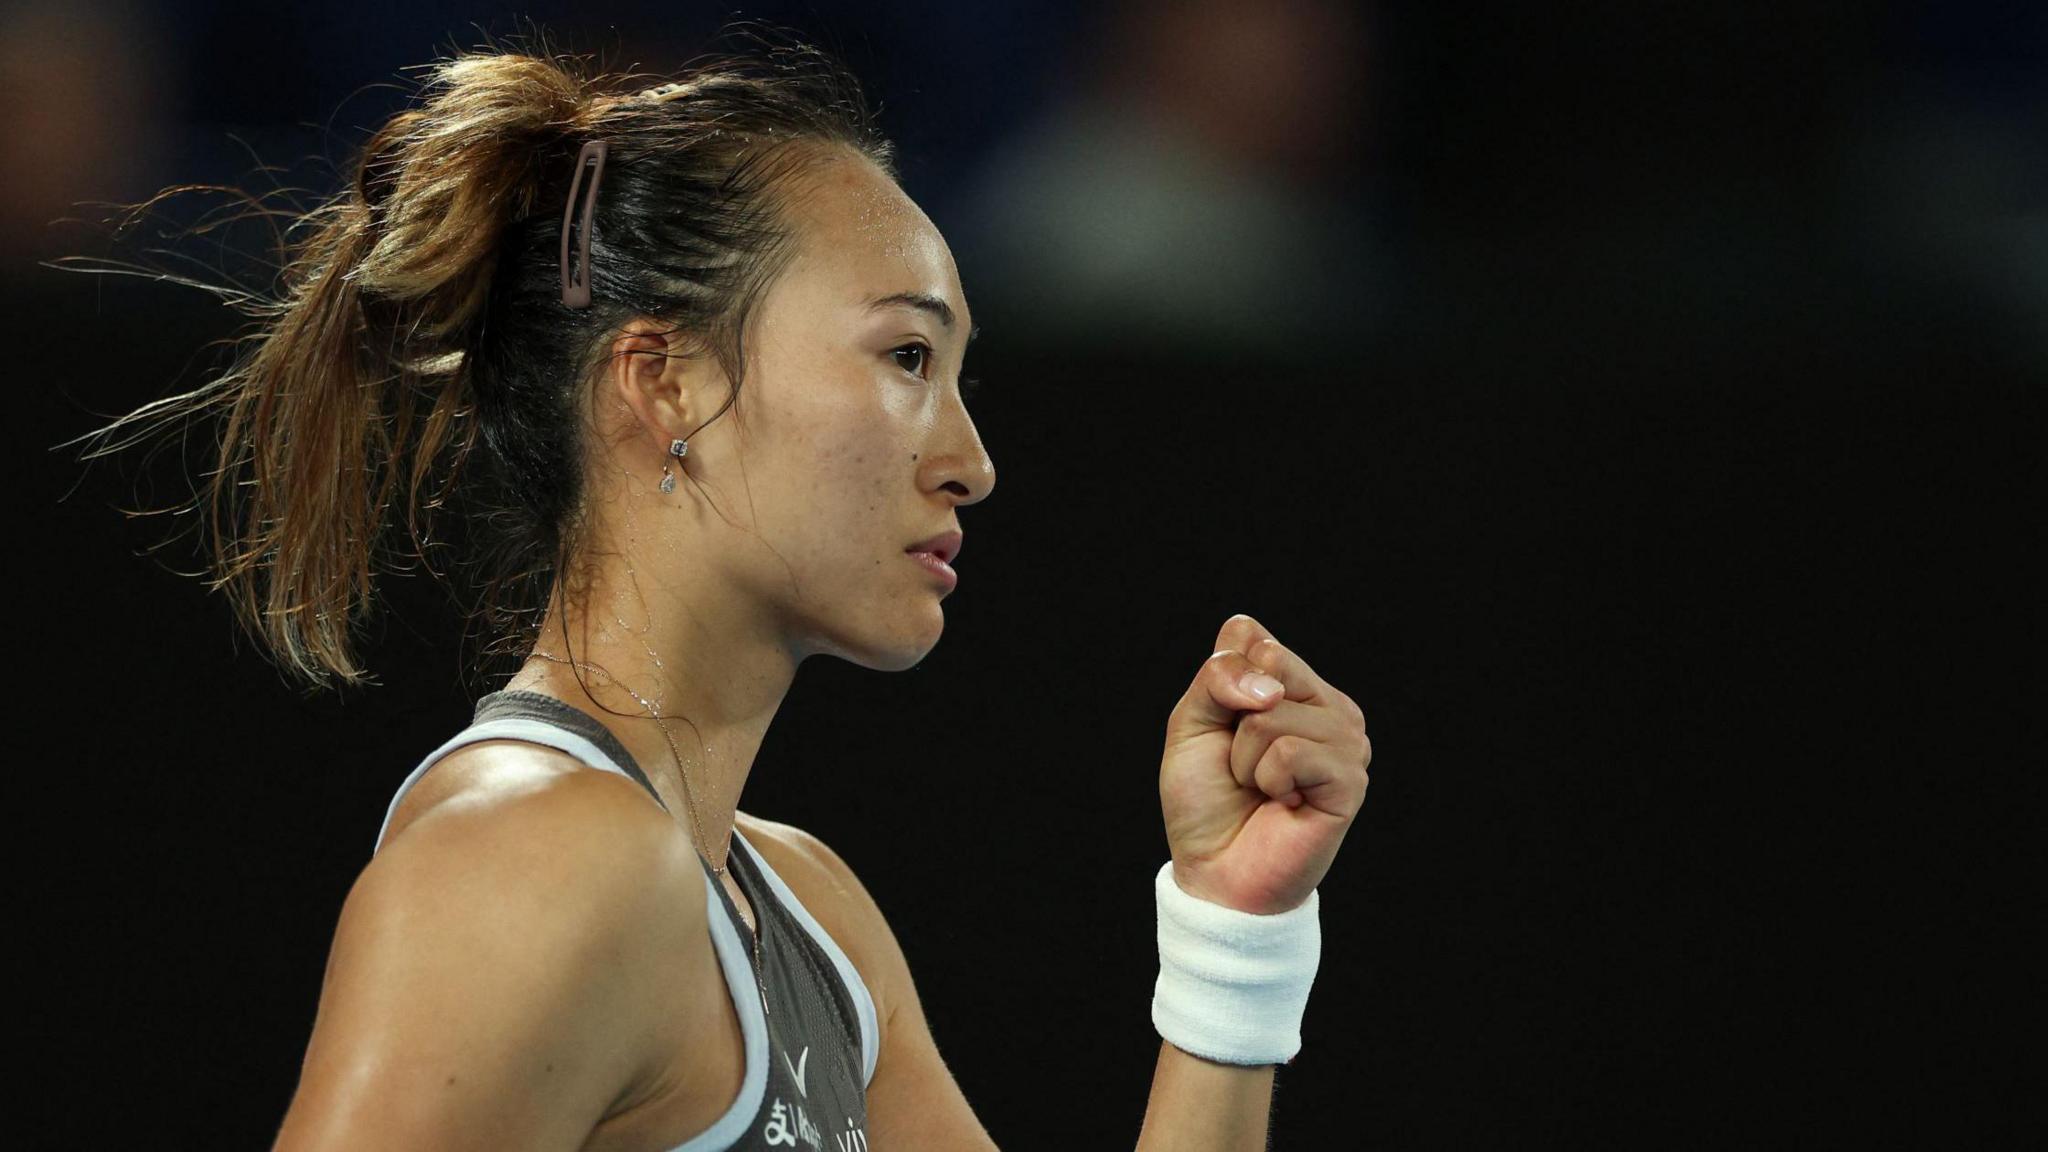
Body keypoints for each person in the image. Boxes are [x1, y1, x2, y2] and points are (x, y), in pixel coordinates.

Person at [68, 32, 1371, 1151]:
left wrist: (1229, 926)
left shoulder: (817, 923)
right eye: (906, 353)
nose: (969, 460)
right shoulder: (535, 857)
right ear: (668, 382)